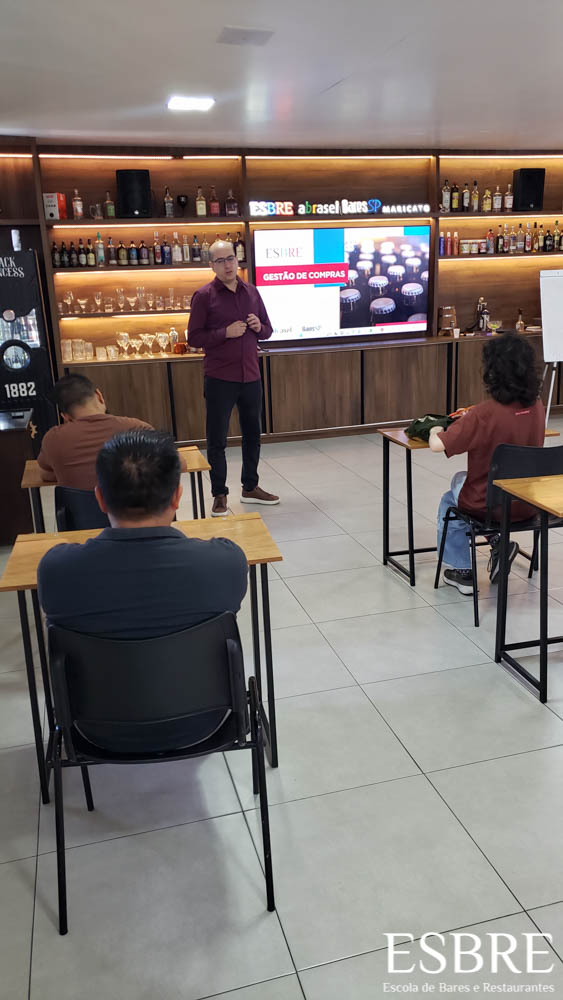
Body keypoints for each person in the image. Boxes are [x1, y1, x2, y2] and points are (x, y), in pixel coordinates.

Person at [38, 429, 248, 750]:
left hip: (95, 730)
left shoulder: (55, 570)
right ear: (177, 497)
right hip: (206, 722)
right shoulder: (226, 562)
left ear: (99, 498)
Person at [429, 332, 544, 594]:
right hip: (529, 503)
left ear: (493, 371)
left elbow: (438, 445)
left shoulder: (483, 413)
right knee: (463, 485)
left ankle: (463, 572)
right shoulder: (537, 406)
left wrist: (435, 429)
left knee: (451, 497)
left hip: (490, 506)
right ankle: (497, 541)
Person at [187, 239, 280, 516]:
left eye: (230, 258)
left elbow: (268, 330)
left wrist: (259, 326)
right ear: (212, 265)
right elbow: (194, 338)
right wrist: (224, 333)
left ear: (237, 260)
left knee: (253, 435)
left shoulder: (251, 291)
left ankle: (250, 487)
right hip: (220, 377)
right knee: (217, 439)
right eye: (220, 261)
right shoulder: (204, 296)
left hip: (251, 375)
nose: (227, 265)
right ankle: (219, 494)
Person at [37, 374, 152, 490]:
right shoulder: (139, 428)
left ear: (65, 416)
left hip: (78, 502)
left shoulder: (53, 439)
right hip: (127, 501)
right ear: (99, 396)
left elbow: (45, 474)